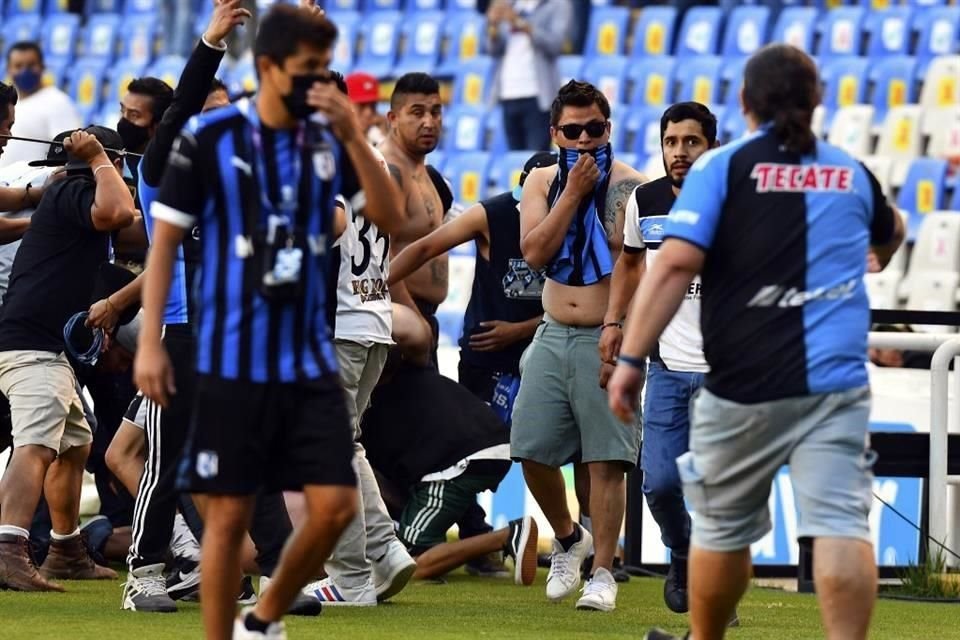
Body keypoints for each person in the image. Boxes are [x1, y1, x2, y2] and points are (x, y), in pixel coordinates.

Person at [606, 44, 905, 640]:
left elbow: (670, 268)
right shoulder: (850, 171)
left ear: (744, 103)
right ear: (817, 101)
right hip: (835, 383)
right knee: (842, 525)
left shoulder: (724, 169)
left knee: (721, 528)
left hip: (743, 380)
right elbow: (893, 228)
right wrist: (880, 254)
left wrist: (632, 357)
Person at [134, 4, 403, 639]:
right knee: (227, 520)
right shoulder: (211, 140)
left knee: (335, 508)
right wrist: (149, 342)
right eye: (303, 70)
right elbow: (165, 245)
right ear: (267, 68)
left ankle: (262, 617)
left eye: (321, 70)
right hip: (230, 354)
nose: (315, 83)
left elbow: (389, 218)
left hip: (306, 356)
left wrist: (353, 139)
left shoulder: (324, 143)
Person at [511, 79, 645, 612]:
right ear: (555, 133)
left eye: (594, 128)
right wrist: (572, 193)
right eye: (573, 130)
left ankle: (606, 572)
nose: (585, 139)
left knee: (607, 460)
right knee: (530, 446)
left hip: (607, 333)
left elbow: (639, 265)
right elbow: (536, 251)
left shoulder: (633, 187)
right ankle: (569, 539)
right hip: (552, 329)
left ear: (607, 128)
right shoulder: (542, 181)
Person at [0, 126, 136, 592]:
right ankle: (8, 549)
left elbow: (134, 220)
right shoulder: (79, 189)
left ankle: (66, 550)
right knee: (36, 445)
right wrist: (100, 158)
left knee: (76, 442)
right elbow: (118, 210)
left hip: (43, 344)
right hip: (32, 342)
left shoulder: (71, 193)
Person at [379, 72, 503, 574]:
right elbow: (379, 254)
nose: (429, 122)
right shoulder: (385, 172)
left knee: (425, 432)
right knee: (404, 427)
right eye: (417, 112)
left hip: (422, 322)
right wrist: (410, 316)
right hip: (394, 324)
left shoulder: (432, 177)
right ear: (392, 117)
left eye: (436, 112)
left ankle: (474, 535)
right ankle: (463, 538)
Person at [301, 73, 417, 608]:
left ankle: (349, 578)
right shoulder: (376, 161)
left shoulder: (326, 160)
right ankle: (384, 548)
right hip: (373, 319)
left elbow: (326, 226)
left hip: (339, 325)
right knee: (345, 445)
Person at [600, 102, 718, 616]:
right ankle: (683, 550)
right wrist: (613, 322)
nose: (679, 152)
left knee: (720, 492)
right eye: (671, 142)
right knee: (661, 482)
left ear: (711, 145)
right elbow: (628, 263)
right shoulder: (643, 201)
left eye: (690, 142)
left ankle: (714, 593)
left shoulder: (733, 200)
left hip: (724, 372)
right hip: (666, 366)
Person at [389, 151, 552, 404]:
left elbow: (579, 304)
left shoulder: (573, 225)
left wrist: (520, 330)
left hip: (542, 354)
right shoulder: (492, 213)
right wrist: (379, 283)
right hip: (486, 359)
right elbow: (424, 248)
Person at [359, 364, 539, 586]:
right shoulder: (409, 375)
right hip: (483, 446)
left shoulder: (361, 409)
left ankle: (505, 537)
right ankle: (479, 547)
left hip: (457, 461)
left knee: (404, 563)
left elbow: (374, 485)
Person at [487, 0, 573, 152]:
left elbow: (556, 44)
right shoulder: (510, 5)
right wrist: (493, 25)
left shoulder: (557, 5)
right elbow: (493, 50)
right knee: (515, 162)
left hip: (538, 96)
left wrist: (520, 24)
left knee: (536, 161)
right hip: (508, 93)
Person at [0, 42, 82, 168]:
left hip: (35, 184)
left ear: (42, 66)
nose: (24, 71)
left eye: (31, 65)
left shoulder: (57, 102)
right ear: (8, 69)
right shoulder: (8, 102)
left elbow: (70, 151)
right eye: (18, 66)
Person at [345, 71, 387, 147]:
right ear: (344, 104)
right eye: (362, 105)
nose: (369, 113)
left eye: (373, 105)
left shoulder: (378, 138)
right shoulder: (331, 141)